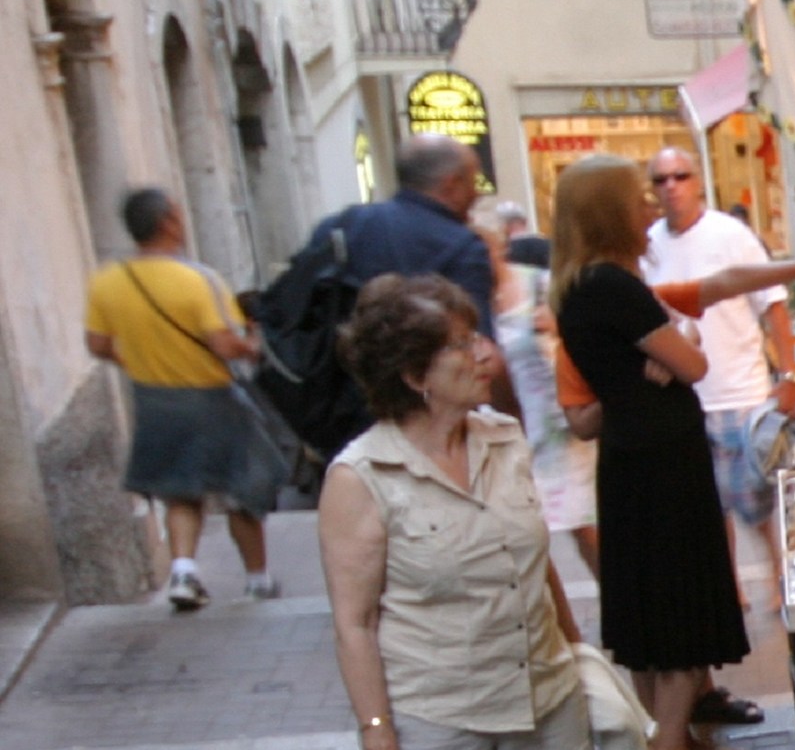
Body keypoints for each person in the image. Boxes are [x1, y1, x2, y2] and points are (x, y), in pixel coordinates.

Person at [318, 275, 596, 750]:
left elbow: (535, 566)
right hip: (439, 707)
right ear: (413, 374)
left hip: (540, 691)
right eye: (461, 346)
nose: (484, 353)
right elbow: (354, 623)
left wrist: (577, 661)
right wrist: (382, 748)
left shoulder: (502, 437)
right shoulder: (363, 478)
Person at [550, 155, 750, 750]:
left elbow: (616, 388)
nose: (651, 208)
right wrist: (673, 347)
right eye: (638, 199)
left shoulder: (580, 287)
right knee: (679, 611)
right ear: (612, 211)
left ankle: (673, 742)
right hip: (661, 460)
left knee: (653, 613)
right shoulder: (613, 284)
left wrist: (647, 363)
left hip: (635, 455)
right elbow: (691, 363)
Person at [642, 148, 795, 624]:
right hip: (683, 398)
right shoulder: (648, 244)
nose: (671, 186)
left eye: (680, 176)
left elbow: (773, 306)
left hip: (740, 389)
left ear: (698, 183)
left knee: (759, 497)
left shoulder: (730, 235)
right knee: (707, 505)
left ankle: (779, 576)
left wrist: (789, 376)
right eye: (661, 179)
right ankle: (727, 584)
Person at [84, 188, 284, 609]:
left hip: (154, 399)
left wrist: (141, 361)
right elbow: (224, 345)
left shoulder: (107, 281)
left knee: (181, 491)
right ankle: (258, 580)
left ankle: (183, 572)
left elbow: (98, 344)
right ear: (169, 223)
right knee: (241, 490)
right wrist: (253, 343)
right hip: (211, 397)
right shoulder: (198, 279)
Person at [470, 197, 597, 577]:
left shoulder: (540, 285)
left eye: (484, 247)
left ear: (500, 245)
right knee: (522, 537)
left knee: (586, 528)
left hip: (558, 426)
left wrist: (560, 330)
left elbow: (587, 335)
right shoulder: (470, 302)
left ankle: (621, 609)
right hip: (506, 430)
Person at [309, 135, 496, 331]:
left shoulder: (338, 226)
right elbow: (475, 342)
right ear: (452, 184)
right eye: (474, 181)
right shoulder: (463, 248)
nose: (478, 193)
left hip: (332, 359)